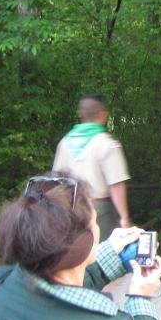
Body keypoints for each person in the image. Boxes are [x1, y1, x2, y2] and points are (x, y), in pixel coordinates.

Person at [0, 174, 161, 320]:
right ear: (82, 243)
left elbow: (62, 285)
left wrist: (110, 253)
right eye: (95, 222)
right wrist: (140, 298)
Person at [52, 94, 131, 239]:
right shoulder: (107, 144)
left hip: (71, 208)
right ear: (103, 114)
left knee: (76, 254)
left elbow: (56, 181)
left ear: (80, 114)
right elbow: (116, 184)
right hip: (100, 211)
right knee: (103, 254)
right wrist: (124, 217)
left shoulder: (65, 142)